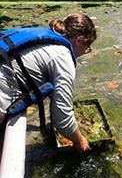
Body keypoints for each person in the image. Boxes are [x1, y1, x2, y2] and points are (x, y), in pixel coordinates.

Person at [0, 13, 97, 153]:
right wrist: (79, 140)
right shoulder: (63, 57)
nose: (85, 52)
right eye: (87, 47)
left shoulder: (45, 37)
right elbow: (63, 119)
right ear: (79, 39)